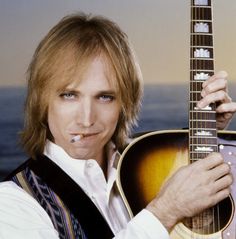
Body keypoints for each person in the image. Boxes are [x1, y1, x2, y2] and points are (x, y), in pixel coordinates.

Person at [0, 12, 236, 239]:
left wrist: (207, 134)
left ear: (125, 102)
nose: (86, 119)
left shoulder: (145, 163)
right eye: (69, 95)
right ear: (42, 99)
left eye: (105, 97)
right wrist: (165, 211)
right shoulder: (12, 202)